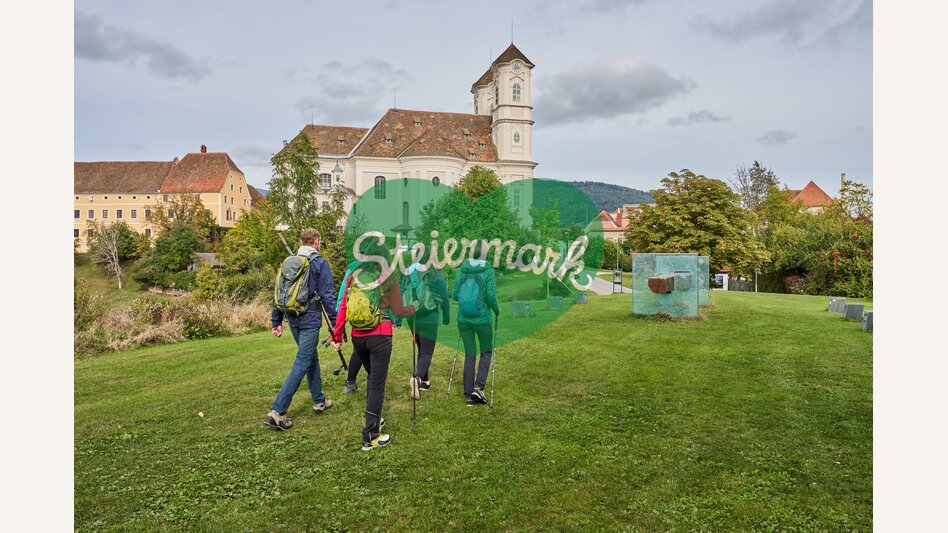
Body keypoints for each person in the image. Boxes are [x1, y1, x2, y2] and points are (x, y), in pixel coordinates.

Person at [331, 251, 415, 450]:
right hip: (380, 336)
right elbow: (398, 310)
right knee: (377, 383)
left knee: (372, 376)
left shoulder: (353, 276)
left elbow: (343, 306)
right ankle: (370, 436)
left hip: (357, 337)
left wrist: (337, 334)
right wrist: (412, 309)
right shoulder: (389, 277)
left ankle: (375, 419)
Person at [264, 228, 337, 431]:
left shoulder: (289, 262)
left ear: (301, 241)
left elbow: (280, 292)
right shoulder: (320, 263)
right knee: (303, 361)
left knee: (310, 357)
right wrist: (336, 323)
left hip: (291, 318)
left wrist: (276, 320)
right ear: (316, 241)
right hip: (310, 319)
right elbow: (328, 295)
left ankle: (319, 401)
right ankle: (277, 411)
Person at [452, 254, 500, 406]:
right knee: (486, 352)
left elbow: (454, 294)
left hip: (463, 319)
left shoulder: (461, 270)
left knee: (470, 354)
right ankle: (478, 388)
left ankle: (468, 395)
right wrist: (497, 309)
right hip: (482, 319)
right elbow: (491, 296)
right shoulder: (488, 271)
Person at [403, 259, 450, 399]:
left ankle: (425, 381)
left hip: (412, 318)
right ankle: (417, 379)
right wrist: (446, 317)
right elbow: (445, 297)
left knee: (421, 349)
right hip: (430, 317)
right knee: (427, 352)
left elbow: (401, 292)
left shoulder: (408, 272)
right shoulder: (435, 273)